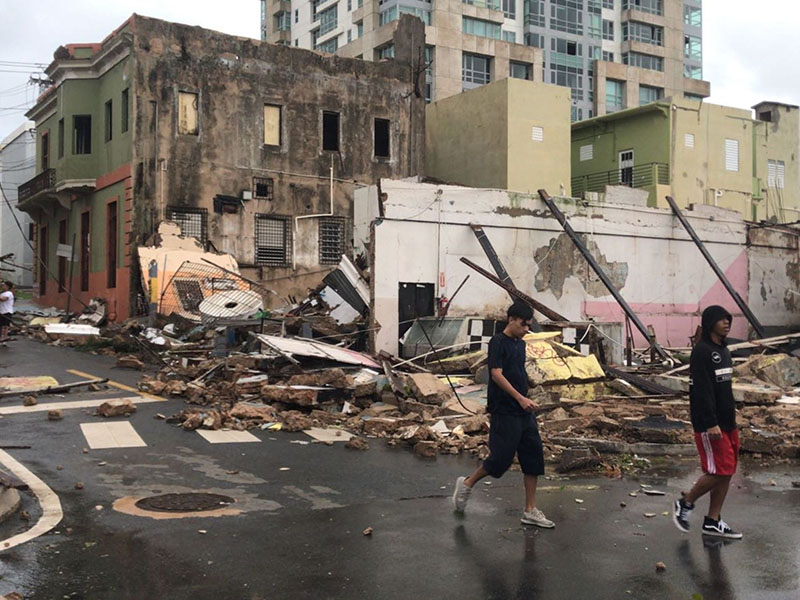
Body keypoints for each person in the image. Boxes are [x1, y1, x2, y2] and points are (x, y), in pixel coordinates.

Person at [452, 301, 554, 528]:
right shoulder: (498, 342)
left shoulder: (520, 344)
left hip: (524, 411)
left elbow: (517, 372)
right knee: (500, 460)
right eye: (523, 324)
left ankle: (530, 510)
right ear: (511, 319)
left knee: (533, 456)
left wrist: (530, 392)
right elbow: (496, 374)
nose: (527, 329)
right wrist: (519, 397)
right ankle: (467, 484)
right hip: (504, 410)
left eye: (529, 325)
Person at [672, 305, 742, 539]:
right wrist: (711, 422)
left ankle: (713, 521)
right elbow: (701, 392)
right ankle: (686, 502)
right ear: (710, 322)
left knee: (728, 470)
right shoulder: (702, 352)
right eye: (722, 319)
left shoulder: (724, 350)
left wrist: (731, 417)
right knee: (719, 470)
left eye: (728, 319)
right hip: (710, 424)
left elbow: (724, 389)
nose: (727, 323)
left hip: (728, 422)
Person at [0, 281, 14, 347]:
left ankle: (4, 339)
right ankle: (2, 339)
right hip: (1, 312)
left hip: (7, 312)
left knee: (5, 326)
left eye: (4, 285)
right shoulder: (2, 293)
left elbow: (4, 299)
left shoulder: (9, 293)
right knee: (1, 326)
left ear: (7, 286)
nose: (2, 286)